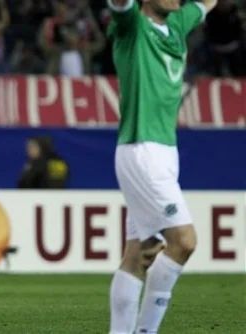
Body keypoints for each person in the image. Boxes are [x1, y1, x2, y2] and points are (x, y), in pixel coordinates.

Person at [107, 1, 217, 334]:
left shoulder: (178, 23)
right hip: (142, 150)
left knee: (142, 251)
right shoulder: (131, 28)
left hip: (165, 153)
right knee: (183, 241)